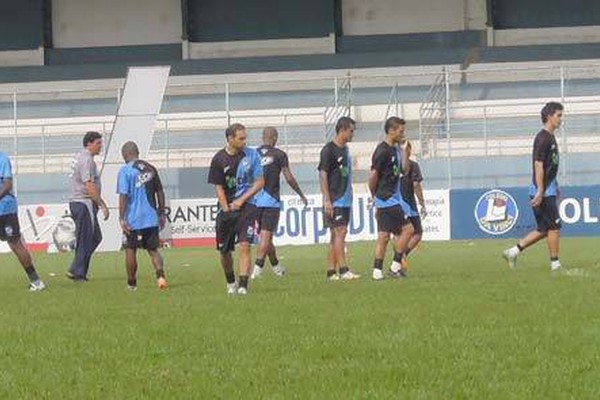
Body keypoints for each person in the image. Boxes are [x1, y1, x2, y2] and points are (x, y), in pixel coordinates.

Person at [503, 102, 564, 271]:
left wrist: (554, 184)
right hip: (543, 191)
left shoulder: (550, 137)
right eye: (559, 115)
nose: (561, 119)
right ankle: (555, 264)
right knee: (554, 226)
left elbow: (549, 165)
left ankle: (513, 251)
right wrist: (540, 190)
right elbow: (538, 165)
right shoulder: (543, 138)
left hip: (547, 188)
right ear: (549, 116)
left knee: (544, 229)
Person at [208, 123, 265, 295]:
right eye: (241, 138)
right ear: (230, 139)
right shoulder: (218, 159)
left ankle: (243, 286)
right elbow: (218, 187)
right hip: (226, 209)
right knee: (224, 252)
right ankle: (231, 282)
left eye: (245, 137)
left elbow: (260, 182)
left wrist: (241, 200)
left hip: (247, 206)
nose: (244, 141)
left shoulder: (251, 155)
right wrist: (226, 208)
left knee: (245, 245)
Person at [251, 127, 308, 279]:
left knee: (266, 238)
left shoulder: (252, 154)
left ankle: (276, 267)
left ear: (263, 137)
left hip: (254, 201)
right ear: (275, 137)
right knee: (265, 237)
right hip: (271, 201)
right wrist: (301, 194)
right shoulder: (279, 155)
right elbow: (288, 178)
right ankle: (257, 271)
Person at [117, 141, 167, 291]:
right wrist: (162, 212)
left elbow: (123, 196)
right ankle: (160, 276)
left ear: (125, 155)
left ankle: (131, 284)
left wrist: (122, 217)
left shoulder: (125, 170)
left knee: (130, 249)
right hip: (151, 218)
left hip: (133, 219)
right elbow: (160, 191)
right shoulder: (151, 168)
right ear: (137, 152)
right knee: (153, 250)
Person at [369, 117, 414, 280]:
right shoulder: (382, 151)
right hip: (387, 198)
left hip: (391, 198)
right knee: (409, 230)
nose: (403, 134)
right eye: (401, 131)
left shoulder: (396, 149)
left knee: (384, 236)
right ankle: (395, 267)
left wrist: (406, 154)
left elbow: (405, 170)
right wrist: (374, 195)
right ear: (391, 131)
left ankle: (377, 272)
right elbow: (373, 175)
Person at [318, 116, 360, 281]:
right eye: (351, 131)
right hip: (336, 198)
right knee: (340, 232)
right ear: (342, 130)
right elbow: (322, 174)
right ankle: (343, 270)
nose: (352, 135)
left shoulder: (346, 150)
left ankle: (331, 272)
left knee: (335, 235)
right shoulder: (329, 150)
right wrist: (327, 199)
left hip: (345, 197)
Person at [0, 152, 46, 291]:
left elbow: (7, 184)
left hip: (5, 208)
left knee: (15, 244)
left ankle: (36, 282)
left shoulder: (2, 158)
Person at [67, 131, 109, 281]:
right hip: (83, 202)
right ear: (89, 143)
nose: (100, 146)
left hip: (78, 202)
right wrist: (102, 204)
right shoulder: (87, 160)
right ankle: (78, 272)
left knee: (95, 236)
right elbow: (89, 185)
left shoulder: (80, 157)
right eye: (98, 143)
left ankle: (77, 267)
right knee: (86, 238)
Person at [397, 158, 427, 270]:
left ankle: (397, 262)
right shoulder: (412, 165)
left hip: (393, 203)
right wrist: (422, 203)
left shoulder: (392, 163)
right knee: (417, 232)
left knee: (398, 234)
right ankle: (401, 256)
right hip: (408, 204)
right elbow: (416, 185)